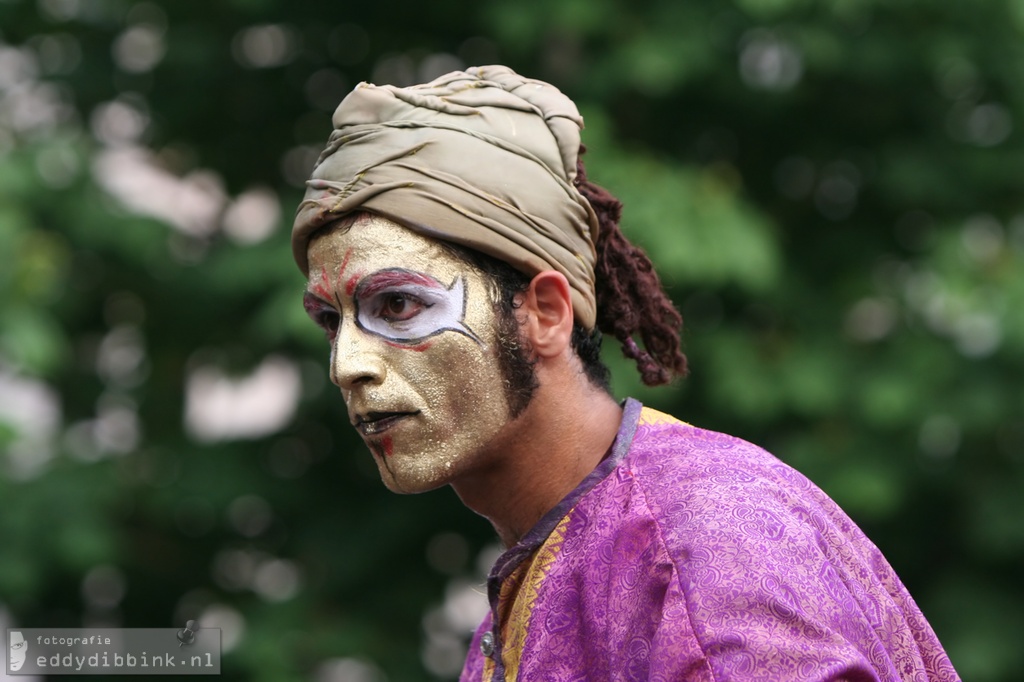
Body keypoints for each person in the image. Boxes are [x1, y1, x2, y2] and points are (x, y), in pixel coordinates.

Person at [291, 66, 960, 681]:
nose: (347, 365)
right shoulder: (550, 563)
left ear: (545, 313)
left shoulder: (701, 557)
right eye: (332, 320)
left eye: (398, 305)